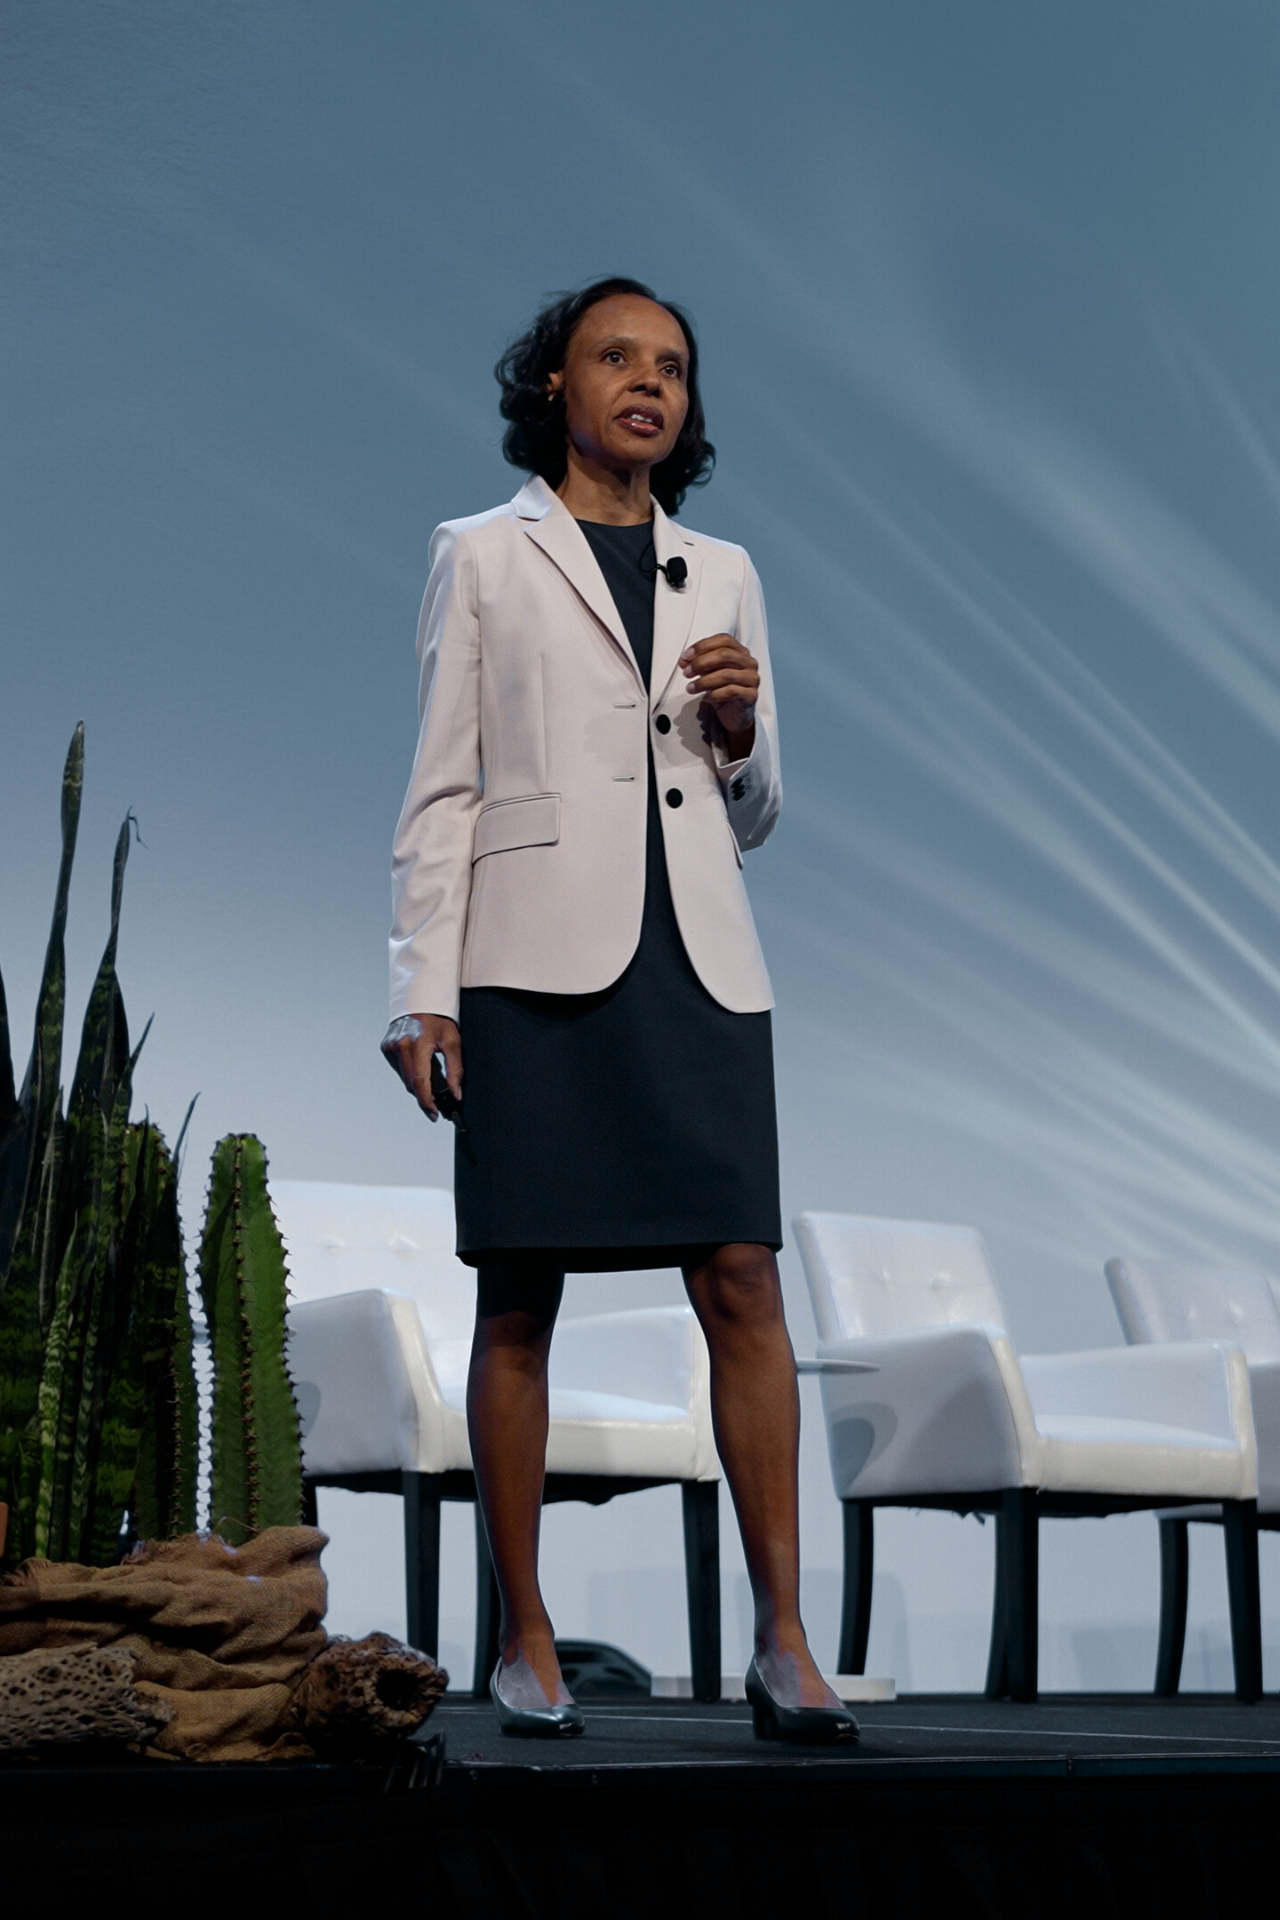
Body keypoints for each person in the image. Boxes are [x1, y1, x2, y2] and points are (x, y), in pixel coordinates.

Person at [382, 276, 855, 1744]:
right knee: (520, 1294)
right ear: (557, 387)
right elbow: (443, 785)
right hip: (530, 967)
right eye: (616, 358)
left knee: (744, 1284)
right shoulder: (484, 555)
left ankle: (785, 1644)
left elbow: (759, 810)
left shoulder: (724, 569)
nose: (647, 383)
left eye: (671, 367)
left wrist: (737, 728)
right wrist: (422, 988)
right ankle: (524, 1640)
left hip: (699, 965)